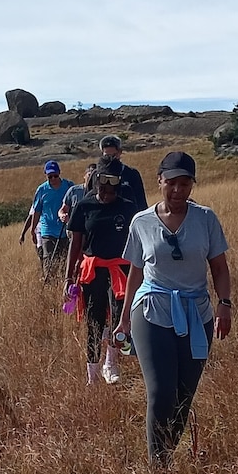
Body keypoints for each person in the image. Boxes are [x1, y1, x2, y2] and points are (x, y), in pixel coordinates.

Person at [115, 149, 231, 464]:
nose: (177, 190)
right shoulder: (141, 222)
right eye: (171, 183)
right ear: (160, 181)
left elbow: (219, 268)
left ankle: (166, 454)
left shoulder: (205, 219)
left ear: (192, 185)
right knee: (161, 391)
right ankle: (158, 468)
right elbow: (136, 271)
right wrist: (124, 319)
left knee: (183, 396)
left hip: (197, 314)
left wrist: (225, 304)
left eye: (185, 183)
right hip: (152, 309)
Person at [66, 156, 136, 385]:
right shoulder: (85, 206)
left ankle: (111, 362)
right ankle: (92, 375)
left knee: (119, 319)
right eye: (103, 183)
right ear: (96, 180)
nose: (107, 190)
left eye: (113, 184)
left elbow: (137, 241)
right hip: (92, 270)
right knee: (94, 322)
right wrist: (69, 277)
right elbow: (76, 243)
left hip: (120, 270)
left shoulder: (128, 207)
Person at [21, 159, 74, 278]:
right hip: (48, 230)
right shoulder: (41, 190)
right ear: (46, 175)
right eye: (50, 176)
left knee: (65, 260)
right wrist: (33, 230)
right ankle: (49, 281)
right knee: (49, 260)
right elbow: (37, 211)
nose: (53, 179)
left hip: (66, 230)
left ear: (59, 173)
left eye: (55, 175)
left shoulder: (69, 186)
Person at [98, 134, 147, 215]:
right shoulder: (96, 175)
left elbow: (141, 201)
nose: (110, 159)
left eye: (113, 156)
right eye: (107, 156)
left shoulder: (132, 174)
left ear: (120, 152)